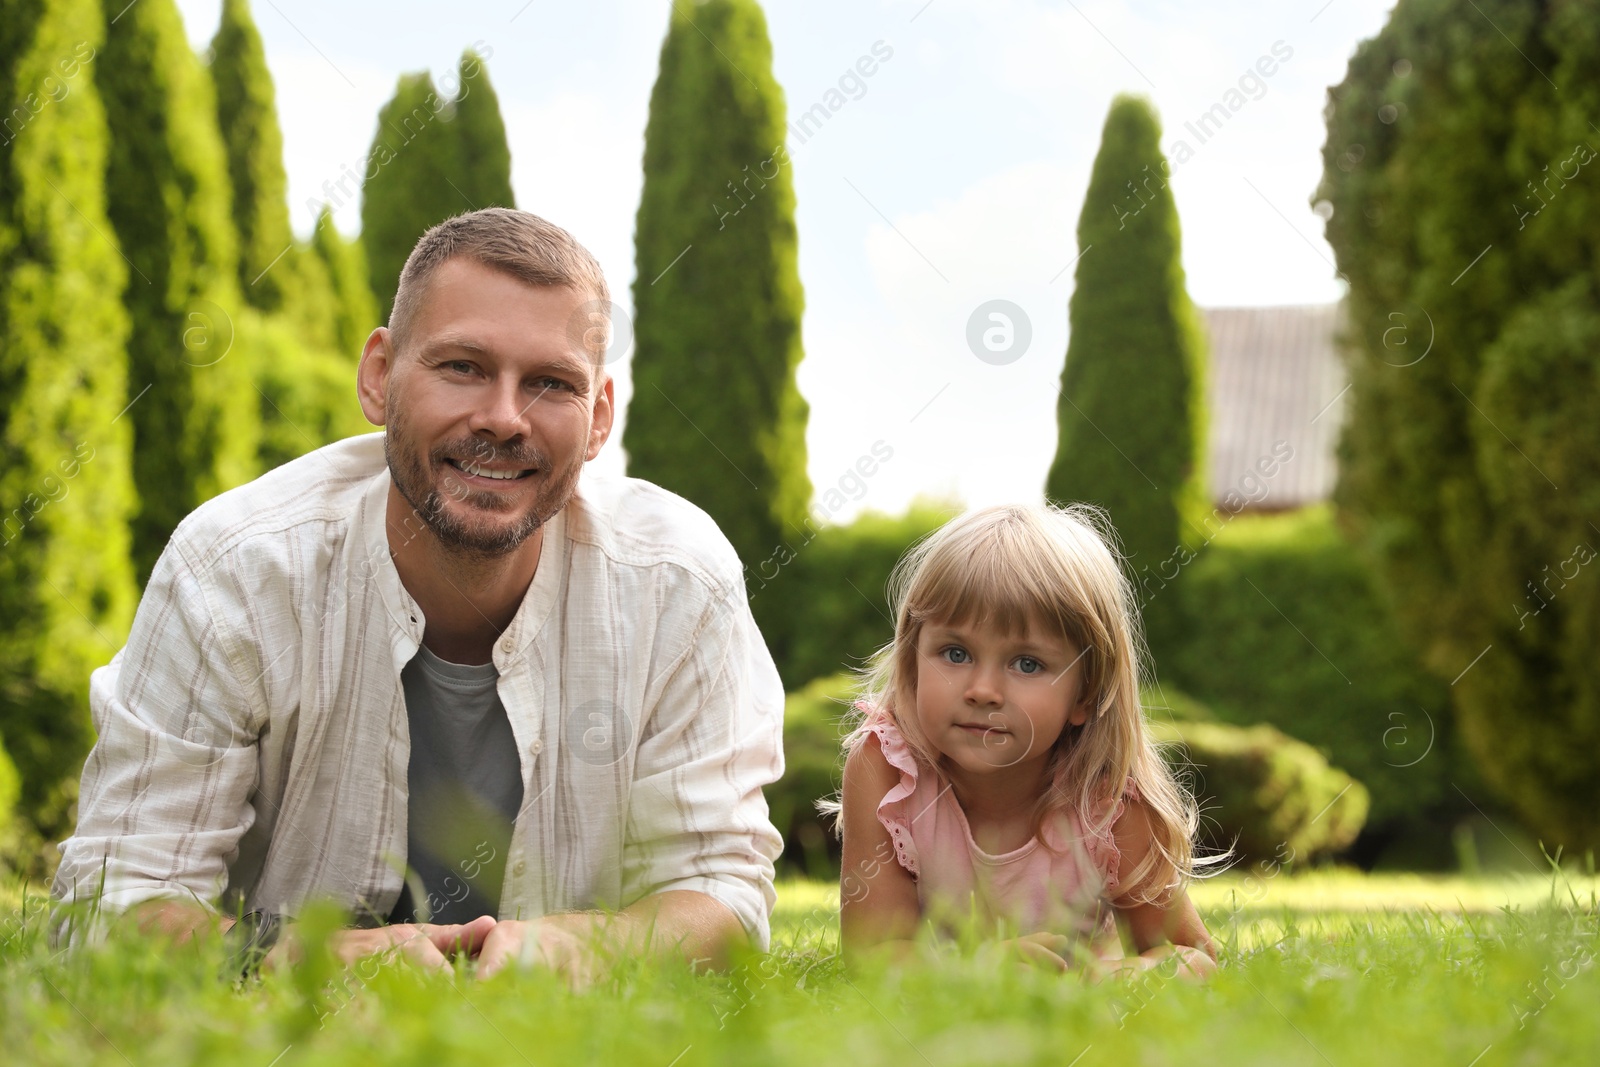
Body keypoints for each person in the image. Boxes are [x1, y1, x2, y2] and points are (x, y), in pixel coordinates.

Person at [51, 208, 786, 983]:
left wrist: (580, 948)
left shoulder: (679, 579)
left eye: (550, 383)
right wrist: (297, 961)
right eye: (461, 366)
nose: (504, 417)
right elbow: (109, 904)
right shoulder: (232, 570)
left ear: (599, 416)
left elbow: (723, 894)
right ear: (379, 376)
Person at [829, 503, 1223, 977]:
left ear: (1087, 694)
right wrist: (979, 974)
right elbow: (873, 955)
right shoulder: (887, 771)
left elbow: (1192, 955)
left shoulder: (1106, 801)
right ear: (913, 664)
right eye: (955, 653)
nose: (982, 691)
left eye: (1027, 664)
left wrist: (1111, 981)